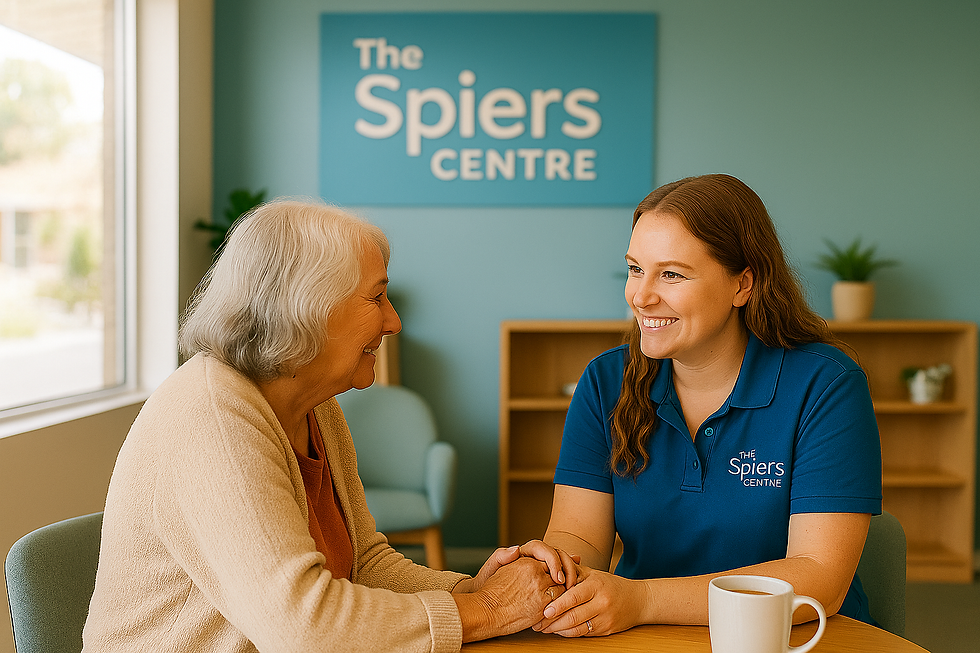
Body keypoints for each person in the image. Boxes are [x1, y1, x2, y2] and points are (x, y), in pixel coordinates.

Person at [82, 200, 576, 652]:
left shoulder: (312, 405)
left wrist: (472, 589)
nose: (393, 322)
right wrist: (486, 611)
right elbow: (303, 628)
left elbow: (364, 564)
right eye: (376, 298)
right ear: (308, 308)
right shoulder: (212, 418)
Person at [534, 174, 882, 637]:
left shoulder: (826, 385)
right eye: (635, 269)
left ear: (743, 284)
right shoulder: (605, 382)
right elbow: (578, 538)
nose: (641, 296)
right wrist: (554, 570)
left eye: (672, 274)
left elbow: (820, 577)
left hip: (794, 636)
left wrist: (644, 598)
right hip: (647, 635)